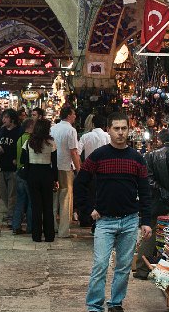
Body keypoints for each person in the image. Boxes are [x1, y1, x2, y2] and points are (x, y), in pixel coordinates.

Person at [74, 112, 152, 312]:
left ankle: (116, 303)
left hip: (129, 220)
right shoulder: (98, 156)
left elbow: (145, 192)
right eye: (116, 128)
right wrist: (87, 209)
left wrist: (145, 220)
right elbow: (80, 183)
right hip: (105, 221)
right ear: (108, 130)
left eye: (123, 129)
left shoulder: (137, 159)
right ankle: (94, 308)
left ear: (129, 130)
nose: (120, 133)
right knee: (100, 265)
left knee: (124, 266)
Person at [133, 129, 169, 279]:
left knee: (151, 235)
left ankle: (141, 270)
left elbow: (150, 181)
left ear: (159, 141)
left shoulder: (150, 156)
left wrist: (168, 196)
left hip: (158, 202)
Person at [20, 119, 58, 242]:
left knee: (36, 206)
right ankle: (49, 235)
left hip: (32, 175)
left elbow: (22, 160)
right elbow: (54, 163)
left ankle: (36, 235)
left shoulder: (28, 142)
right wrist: (55, 179)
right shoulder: (51, 143)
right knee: (48, 206)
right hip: (47, 174)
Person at [51, 104, 81, 238]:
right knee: (65, 198)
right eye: (73, 114)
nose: (75, 116)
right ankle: (64, 231)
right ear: (69, 115)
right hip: (65, 167)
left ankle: (52, 226)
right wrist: (79, 169)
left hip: (53, 166)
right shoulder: (71, 131)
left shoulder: (53, 128)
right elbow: (73, 152)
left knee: (54, 198)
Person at [77, 113, 110, 228]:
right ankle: (100, 221)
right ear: (105, 125)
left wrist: (80, 166)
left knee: (89, 195)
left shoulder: (86, 136)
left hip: (89, 170)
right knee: (102, 196)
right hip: (105, 171)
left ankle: (88, 219)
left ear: (93, 124)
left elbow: (77, 152)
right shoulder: (108, 136)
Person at [0, 109, 22, 227]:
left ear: (12, 119)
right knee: (4, 194)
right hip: (1, 167)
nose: (3, 120)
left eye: (6, 117)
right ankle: (12, 213)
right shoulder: (0, 132)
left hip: (13, 168)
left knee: (12, 194)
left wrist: (17, 159)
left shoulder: (19, 132)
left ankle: (11, 216)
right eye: (3, 117)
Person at [12, 118, 35, 235]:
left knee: (20, 201)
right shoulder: (31, 140)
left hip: (19, 173)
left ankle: (16, 225)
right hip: (28, 173)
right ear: (31, 126)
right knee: (31, 201)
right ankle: (31, 227)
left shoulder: (20, 139)